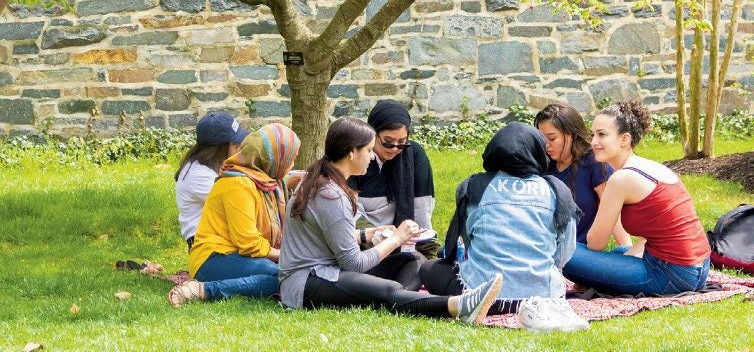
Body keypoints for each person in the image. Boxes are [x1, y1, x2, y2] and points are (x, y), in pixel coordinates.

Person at [279, 117, 503, 324]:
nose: (372, 156)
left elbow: (325, 234)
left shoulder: (325, 182)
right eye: (368, 150)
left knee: (411, 260)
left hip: (330, 270)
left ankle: (399, 300)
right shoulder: (330, 194)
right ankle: (458, 305)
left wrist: (369, 234)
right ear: (351, 153)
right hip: (308, 282)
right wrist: (396, 238)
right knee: (387, 288)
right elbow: (353, 263)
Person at [420, 122, 580, 318]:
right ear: (538, 152)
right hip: (546, 300)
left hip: (487, 297)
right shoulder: (556, 190)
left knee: (428, 268)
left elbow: (468, 241)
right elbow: (566, 249)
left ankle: (472, 303)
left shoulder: (474, 186)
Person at [562, 101, 711, 296]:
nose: (594, 142)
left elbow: (595, 243)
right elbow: (659, 232)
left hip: (671, 275)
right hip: (698, 268)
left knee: (561, 250)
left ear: (625, 139)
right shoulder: (653, 167)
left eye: (602, 135)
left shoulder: (621, 179)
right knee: (618, 253)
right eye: (593, 134)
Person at [167, 123, 301, 307]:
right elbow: (248, 243)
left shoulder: (268, 183)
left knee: (293, 274)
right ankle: (203, 290)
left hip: (242, 256)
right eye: (291, 159)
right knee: (285, 277)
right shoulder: (237, 184)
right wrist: (288, 255)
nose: (292, 164)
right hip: (214, 258)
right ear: (274, 158)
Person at [347, 100, 439, 258]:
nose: (395, 148)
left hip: (405, 238)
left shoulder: (414, 155)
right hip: (364, 243)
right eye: (388, 142)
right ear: (372, 134)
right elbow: (351, 213)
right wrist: (384, 240)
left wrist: (421, 243)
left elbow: (421, 209)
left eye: (402, 142)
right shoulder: (356, 158)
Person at [534, 103, 631, 247]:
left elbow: (612, 211)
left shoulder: (593, 162)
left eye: (552, 138)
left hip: (578, 250)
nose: (546, 145)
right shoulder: (541, 165)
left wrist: (626, 249)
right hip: (544, 249)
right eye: (542, 139)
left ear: (571, 135)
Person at [174, 112, 250, 249]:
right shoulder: (199, 176)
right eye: (235, 144)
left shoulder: (213, 166)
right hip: (207, 247)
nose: (240, 147)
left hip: (221, 239)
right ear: (220, 148)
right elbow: (239, 202)